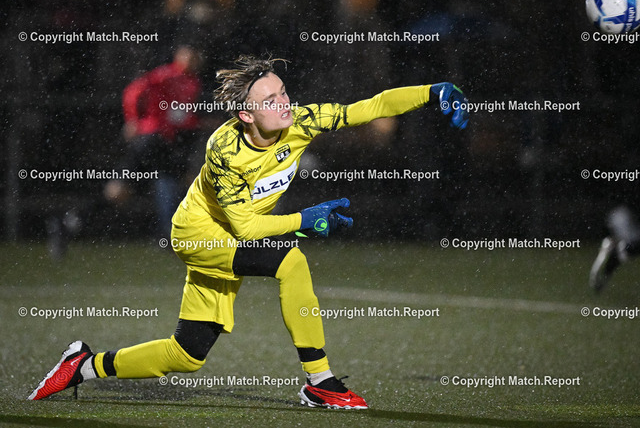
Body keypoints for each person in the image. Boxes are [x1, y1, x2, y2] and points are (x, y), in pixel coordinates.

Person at [28, 55, 469, 409]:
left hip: (231, 240)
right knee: (291, 262)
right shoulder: (225, 149)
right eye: (270, 100)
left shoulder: (302, 122)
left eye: (284, 92)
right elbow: (247, 227)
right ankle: (320, 382)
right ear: (246, 114)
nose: (285, 104)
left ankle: (84, 365)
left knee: (187, 355)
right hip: (199, 236)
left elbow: (368, 107)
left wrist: (432, 92)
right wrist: (305, 221)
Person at [104, 45, 203, 238]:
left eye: (195, 57)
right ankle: (74, 220)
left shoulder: (193, 81)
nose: (192, 61)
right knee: (120, 189)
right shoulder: (166, 75)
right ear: (178, 56)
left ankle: (167, 234)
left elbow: (182, 114)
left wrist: (195, 124)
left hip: (168, 140)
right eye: (189, 56)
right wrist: (133, 120)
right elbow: (133, 91)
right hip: (151, 139)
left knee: (172, 183)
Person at [590, 205, 640, 292]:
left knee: (613, 256)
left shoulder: (616, 215)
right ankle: (602, 279)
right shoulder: (622, 212)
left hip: (631, 244)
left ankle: (600, 279)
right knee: (614, 258)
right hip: (631, 243)